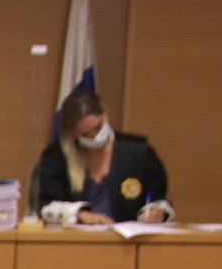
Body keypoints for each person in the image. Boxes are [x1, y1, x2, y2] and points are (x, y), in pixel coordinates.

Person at [34, 88, 172, 226]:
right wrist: (80, 214)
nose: (94, 137)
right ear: (72, 133)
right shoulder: (57, 155)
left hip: (128, 241)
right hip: (76, 240)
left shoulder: (139, 151)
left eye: (98, 127)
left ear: (104, 115)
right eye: (86, 134)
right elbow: (45, 205)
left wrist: (158, 211)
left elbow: (159, 198)